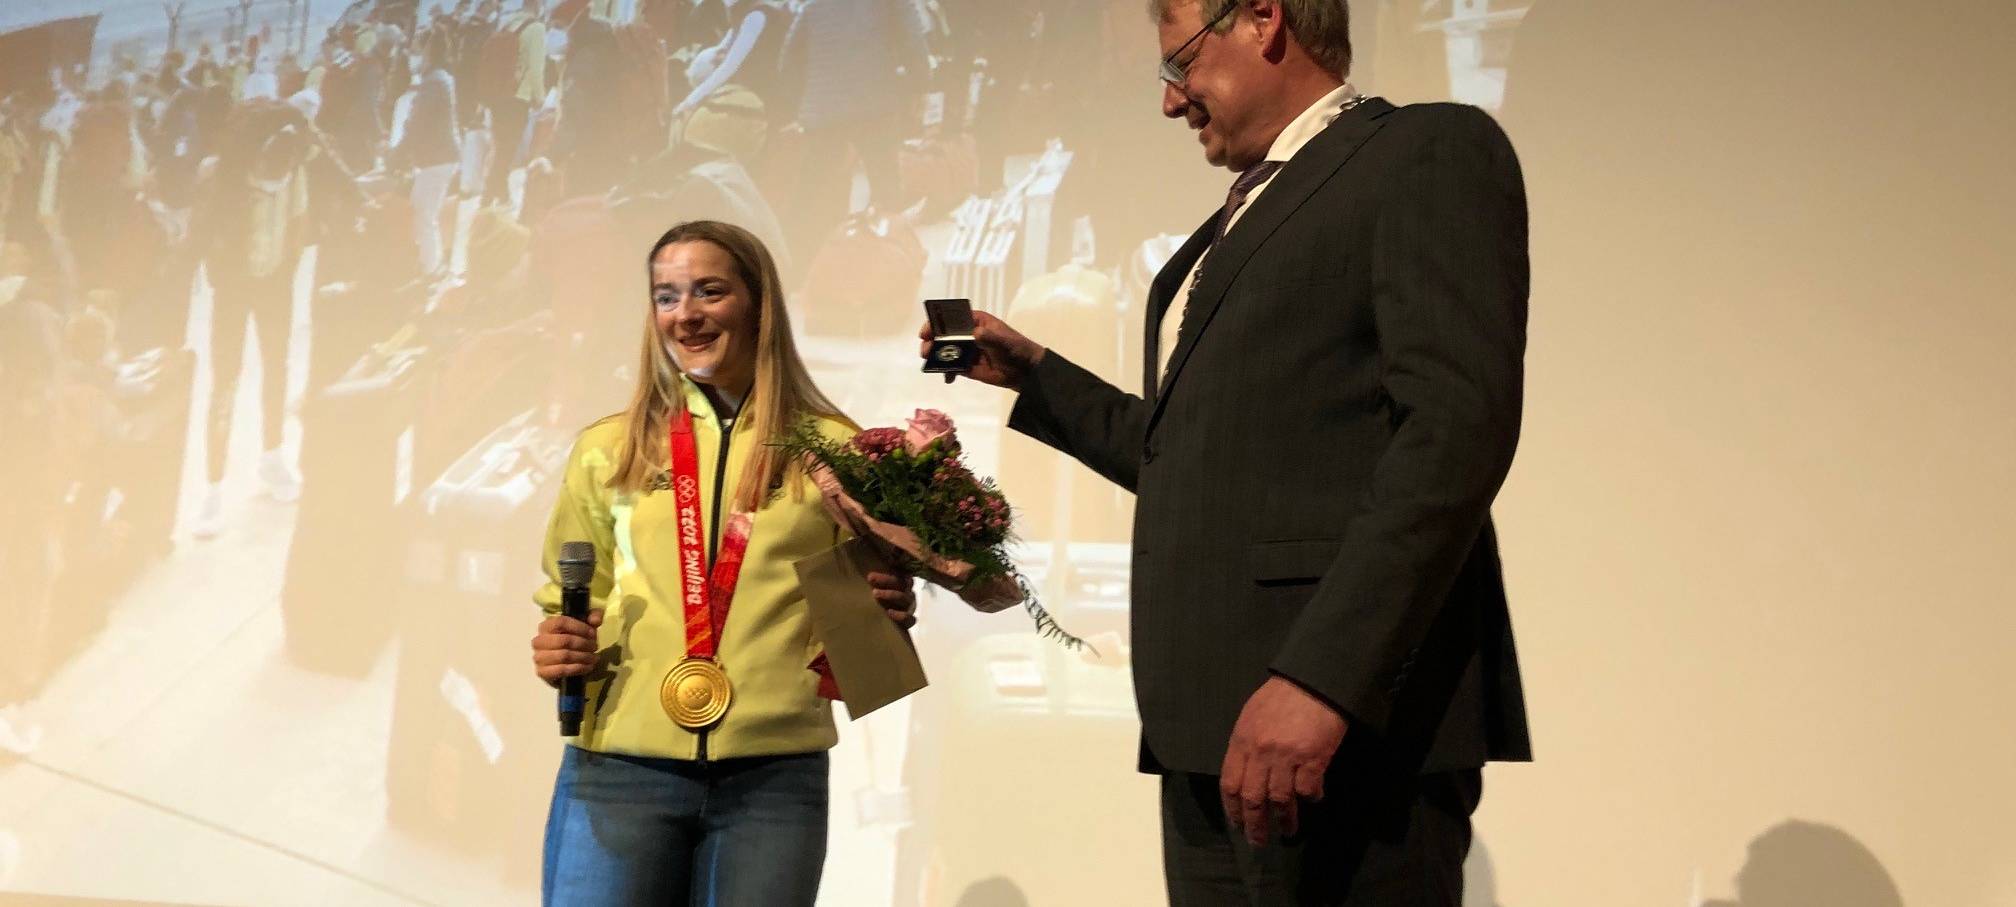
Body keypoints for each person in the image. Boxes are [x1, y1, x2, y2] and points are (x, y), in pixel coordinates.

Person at [923, 1, 1531, 903]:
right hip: (1209, 730)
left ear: (1263, 20)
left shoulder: (1426, 152)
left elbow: (1453, 434)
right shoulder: (1238, 222)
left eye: (1181, 65)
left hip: (1336, 727)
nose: (1172, 102)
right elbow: (1193, 461)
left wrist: (1322, 681)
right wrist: (1038, 376)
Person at [529, 220, 917, 905]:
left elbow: (864, 632)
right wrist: (561, 641)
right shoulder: (609, 448)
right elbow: (567, 598)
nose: (688, 314)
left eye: (710, 290)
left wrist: (888, 611)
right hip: (618, 766)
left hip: (772, 782)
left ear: (759, 303)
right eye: (668, 295)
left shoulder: (834, 450)